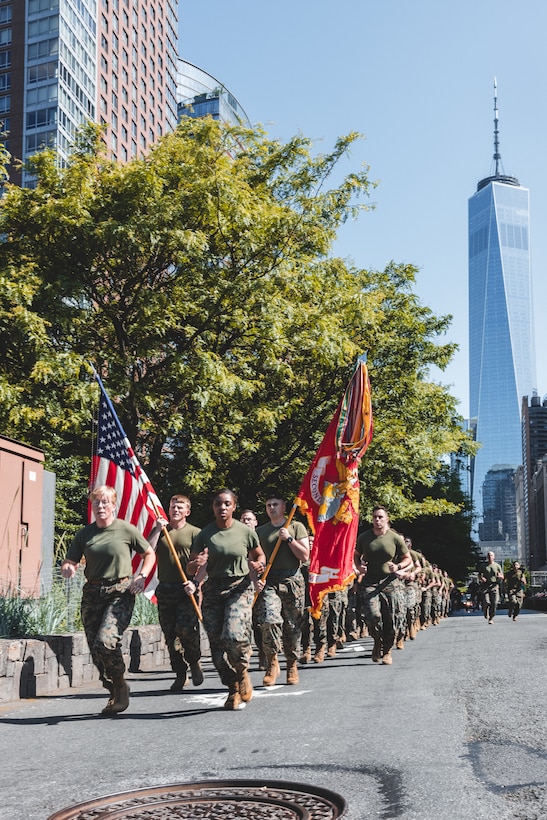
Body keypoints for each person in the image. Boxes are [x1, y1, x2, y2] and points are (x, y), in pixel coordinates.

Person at [60, 485, 157, 716]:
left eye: (105, 502)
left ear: (113, 505)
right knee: (96, 649)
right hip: (92, 594)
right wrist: (68, 567)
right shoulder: (85, 534)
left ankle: (120, 683)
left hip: (121, 591)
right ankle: (113, 687)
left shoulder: (125, 529)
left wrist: (142, 576)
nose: (101, 506)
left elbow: (149, 553)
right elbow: (70, 560)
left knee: (106, 640)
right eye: (96, 503)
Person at [184, 489, 266, 710]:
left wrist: (259, 565)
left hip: (239, 587)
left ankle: (242, 672)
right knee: (217, 647)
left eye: (227, 504)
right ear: (213, 507)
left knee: (233, 635)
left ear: (233, 507)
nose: (222, 508)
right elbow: (191, 566)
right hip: (213, 590)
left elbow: (259, 555)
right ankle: (232, 688)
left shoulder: (245, 532)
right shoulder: (205, 534)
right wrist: (196, 563)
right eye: (218, 504)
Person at [255, 493, 309, 684]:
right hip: (269, 581)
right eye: (268, 504)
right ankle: (272, 662)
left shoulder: (295, 527)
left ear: (284, 507)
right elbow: (253, 559)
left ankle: (292, 665)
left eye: (275, 504)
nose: (271, 508)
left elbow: (304, 556)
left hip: (292, 580)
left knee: (292, 626)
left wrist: (289, 539)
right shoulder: (260, 531)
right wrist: (256, 578)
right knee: (269, 620)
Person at [155, 494, 203, 692]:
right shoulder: (161, 531)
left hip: (186, 588)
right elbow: (147, 551)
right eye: (173, 506)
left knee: (186, 630)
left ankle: (193, 661)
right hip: (165, 588)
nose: (175, 510)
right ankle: (180, 672)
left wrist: (196, 583)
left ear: (187, 512)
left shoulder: (195, 533)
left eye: (180, 507)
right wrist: (157, 530)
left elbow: (203, 561)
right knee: (170, 635)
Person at [354, 505, 412, 665]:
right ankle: (377, 640)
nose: (377, 520)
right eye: (375, 517)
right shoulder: (364, 537)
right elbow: (356, 555)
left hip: (390, 582)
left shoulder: (394, 538)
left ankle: (387, 651)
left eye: (380, 517)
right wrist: (359, 566)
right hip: (370, 581)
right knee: (372, 616)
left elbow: (408, 558)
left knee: (391, 617)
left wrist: (398, 566)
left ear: (387, 519)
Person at [479, 550, 504, 624]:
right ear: (487, 557)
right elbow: (479, 575)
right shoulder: (483, 566)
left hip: (494, 586)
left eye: (491, 555)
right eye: (489, 555)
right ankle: (485, 610)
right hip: (486, 586)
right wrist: (481, 578)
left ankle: (491, 618)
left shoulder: (497, 566)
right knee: (487, 602)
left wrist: (500, 576)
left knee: (495, 603)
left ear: (494, 557)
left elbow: (502, 576)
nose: (490, 557)